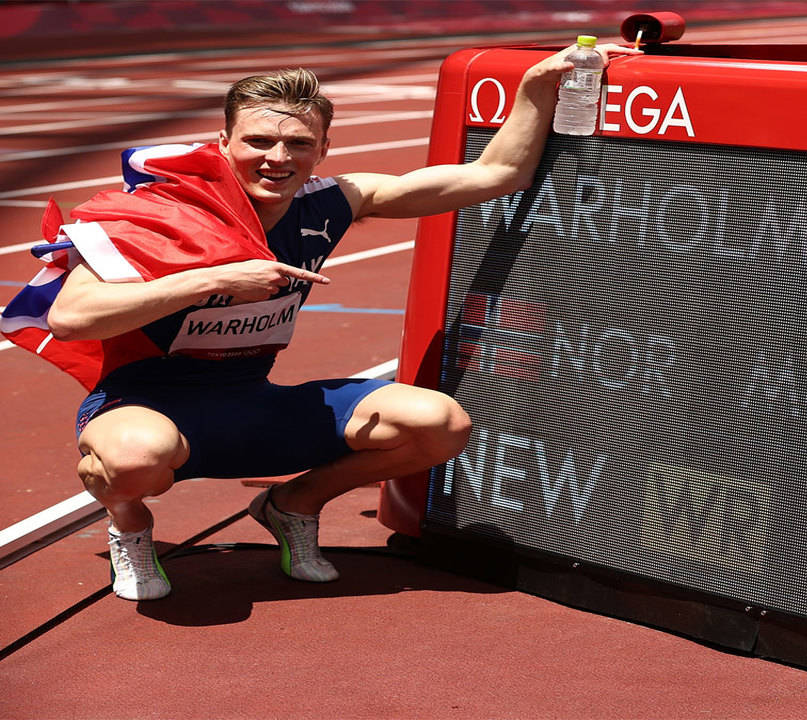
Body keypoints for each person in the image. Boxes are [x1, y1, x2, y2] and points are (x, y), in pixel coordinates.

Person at [41, 41, 639, 601]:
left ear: (322, 149)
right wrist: (215, 279)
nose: (278, 158)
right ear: (222, 142)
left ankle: (295, 503)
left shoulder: (332, 200)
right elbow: (70, 318)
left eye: (299, 144)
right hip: (144, 406)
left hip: (252, 401)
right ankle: (130, 522)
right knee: (134, 459)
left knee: (439, 424)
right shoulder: (160, 214)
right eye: (258, 142)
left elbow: (493, 176)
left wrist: (535, 86)